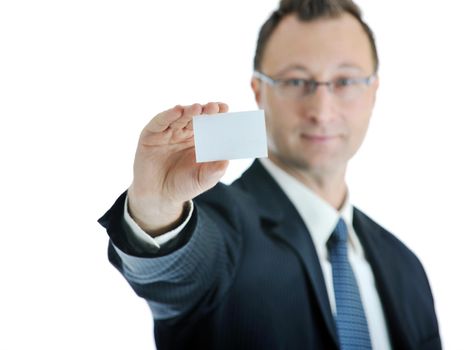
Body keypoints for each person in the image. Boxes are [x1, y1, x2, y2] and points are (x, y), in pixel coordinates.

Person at [98, 0, 441, 349]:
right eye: (296, 80)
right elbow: (178, 271)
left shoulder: (406, 269)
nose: (322, 110)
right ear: (259, 91)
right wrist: (157, 208)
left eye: (346, 80)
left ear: (373, 91)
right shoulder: (224, 223)